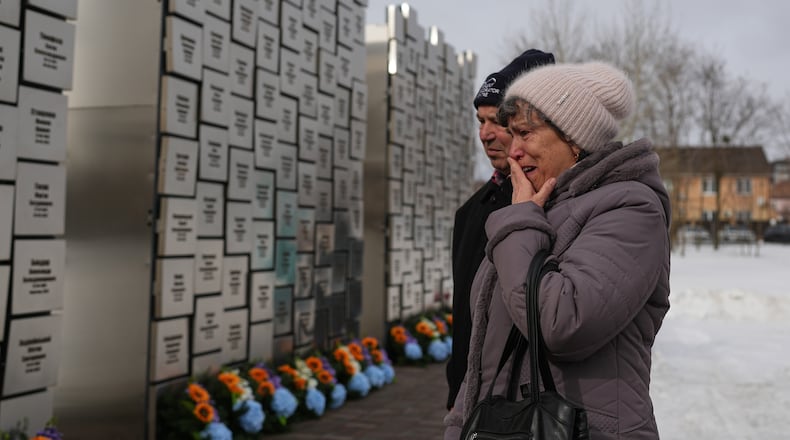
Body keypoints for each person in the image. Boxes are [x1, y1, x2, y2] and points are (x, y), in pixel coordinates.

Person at [443, 61, 671, 439]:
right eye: (510, 135)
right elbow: (485, 347)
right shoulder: (538, 207)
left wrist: (518, 221)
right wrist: (458, 426)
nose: (512, 151)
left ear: (574, 138)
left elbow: (561, 322)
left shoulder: (631, 207)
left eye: (525, 133)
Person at [446, 49, 555, 410]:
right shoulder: (471, 211)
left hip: (526, 408)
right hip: (471, 404)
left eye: (496, 121)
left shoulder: (554, 205)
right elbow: (466, 317)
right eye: (480, 121)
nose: (485, 134)